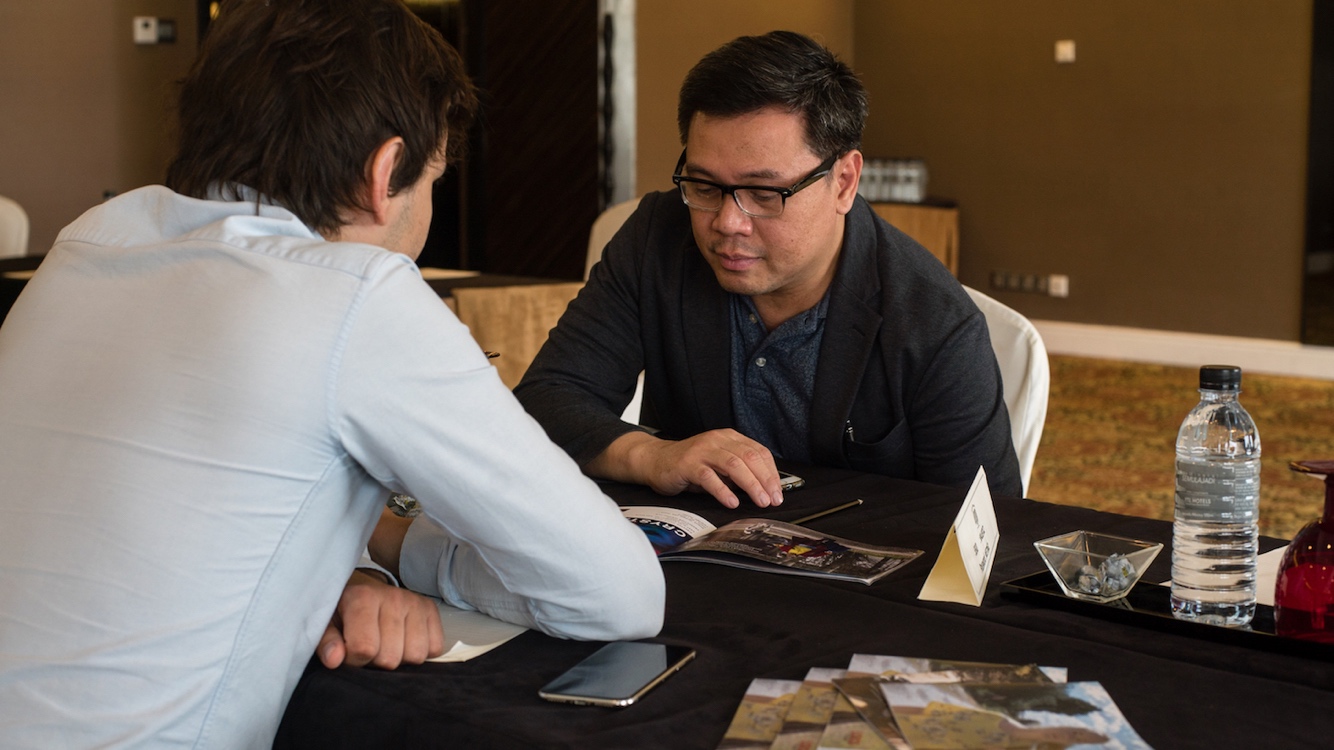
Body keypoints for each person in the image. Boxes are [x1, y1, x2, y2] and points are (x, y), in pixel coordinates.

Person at [0, 1, 664, 746]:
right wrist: (395, 545)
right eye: (433, 178)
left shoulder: (86, 247)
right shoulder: (358, 294)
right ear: (386, 174)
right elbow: (618, 594)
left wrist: (351, 564)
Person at [515, 30, 1022, 509]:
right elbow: (546, 401)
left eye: (764, 193)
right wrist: (654, 455)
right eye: (705, 186)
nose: (727, 223)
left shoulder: (932, 320)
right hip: (691, 569)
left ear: (843, 181)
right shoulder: (659, 238)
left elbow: (989, 526)